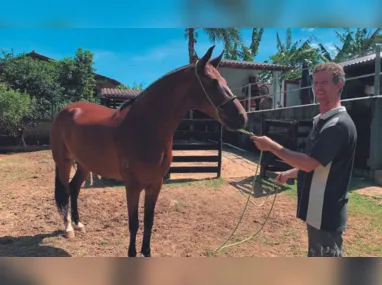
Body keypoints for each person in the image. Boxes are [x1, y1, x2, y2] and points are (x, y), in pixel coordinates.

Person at [251, 62, 357, 257]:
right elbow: (318, 163)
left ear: (339, 85)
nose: (318, 87)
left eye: (324, 82)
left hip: (326, 213)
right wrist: (290, 173)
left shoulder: (337, 125)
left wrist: (271, 146)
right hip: (317, 211)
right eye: (316, 82)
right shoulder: (322, 121)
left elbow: (309, 163)